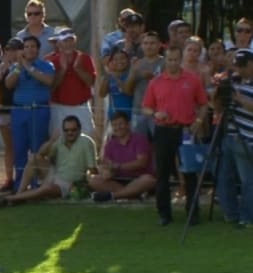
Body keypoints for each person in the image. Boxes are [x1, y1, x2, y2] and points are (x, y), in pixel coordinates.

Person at [141, 45, 209, 226]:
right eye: (169, 60)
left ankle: (192, 212)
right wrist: (155, 114)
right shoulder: (155, 82)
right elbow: (146, 107)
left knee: (189, 173)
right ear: (165, 60)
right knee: (163, 173)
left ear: (181, 59)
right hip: (163, 130)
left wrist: (199, 121)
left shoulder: (192, 80)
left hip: (186, 130)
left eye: (176, 60)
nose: (172, 63)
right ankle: (164, 213)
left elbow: (203, 103)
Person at [0, 116, 97, 208]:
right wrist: (51, 141)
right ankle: (19, 195)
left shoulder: (86, 142)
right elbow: (40, 154)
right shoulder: (60, 140)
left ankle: (11, 199)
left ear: (79, 130)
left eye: (73, 130)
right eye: (66, 130)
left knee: (46, 189)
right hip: (55, 173)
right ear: (63, 130)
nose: (70, 133)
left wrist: (86, 186)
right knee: (34, 159)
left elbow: (92, 170)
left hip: (69, 184)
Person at [5, 35, 55, 190]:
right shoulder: (17, 66)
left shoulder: (46, 65)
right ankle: (20, 184)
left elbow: (48, 81)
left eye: (33, 46)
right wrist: (20, 67)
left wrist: (29, 68)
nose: (29, 49)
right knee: (19, 149)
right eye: (26, 47)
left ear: (38, 49)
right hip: (19, 111)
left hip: (38, 110)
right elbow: (8, 84)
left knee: (37, 149)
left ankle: (36, 184)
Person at [215, 48, 253, 228]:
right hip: (228, 134)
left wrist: (239, 100)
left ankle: (247, 217)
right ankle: (231, 214)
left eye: (243, 66)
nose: (240, 69)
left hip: (247, 138)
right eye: (238, 66)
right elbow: (217, 107)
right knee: (224, 177)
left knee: (248, 181)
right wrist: (219, 95)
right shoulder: (233, 81)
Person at [89, 112, 155, 202]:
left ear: (128, 124)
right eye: (114, 125)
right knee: (93, 179)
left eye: (120, 124)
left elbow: (141, 163)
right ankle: (132, 195)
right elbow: (106, 165)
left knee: (148, 180)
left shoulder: (140, 139)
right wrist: (105, 172)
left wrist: (118, 166)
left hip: (138, 179)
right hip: (118, 180)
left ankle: (114, 196)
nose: (118, 128)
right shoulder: (110, 144)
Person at [48, 28, 96, 137]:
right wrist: (63, 70)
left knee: (87, 138)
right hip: (58, 107)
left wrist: (78, 69)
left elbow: (90, 82)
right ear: (59, 43)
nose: (69, 44)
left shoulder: (84, 58)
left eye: (71, 40)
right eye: (65, 41)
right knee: (57, 140)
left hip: (81, 106)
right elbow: (51, 86)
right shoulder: (50, 60)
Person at [125, 31, 164, 138]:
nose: (149, 46)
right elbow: (127, 90)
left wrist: (153, 78)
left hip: (159, 111)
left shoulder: (165, 62)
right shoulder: (136, 64)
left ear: (159, 45)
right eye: (146, 43)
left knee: (159, 144)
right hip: (138, 110)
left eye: (152, 43)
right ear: (141, 45)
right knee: (139, 146)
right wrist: (134, 73)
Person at [0, 38, 22, 193]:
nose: (11, 53)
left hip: (18, 108)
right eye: (9, 50)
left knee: (21, 145)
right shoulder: (2, 66)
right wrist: (2, 70)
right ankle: (9, 178)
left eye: (14, 49)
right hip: (4, 109)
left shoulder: (22, 66)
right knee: (9, 147)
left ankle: (21, 177)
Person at [99, 47, 134, 124]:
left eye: (122, 58)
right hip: (113, 116)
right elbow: (102, 94)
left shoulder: (131, 74)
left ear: (128, 60)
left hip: (130, 117)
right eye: (115, 59)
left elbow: (128, 92)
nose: (119, 61)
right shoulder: (109, 76)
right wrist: (108, 76)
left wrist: (115, 77)